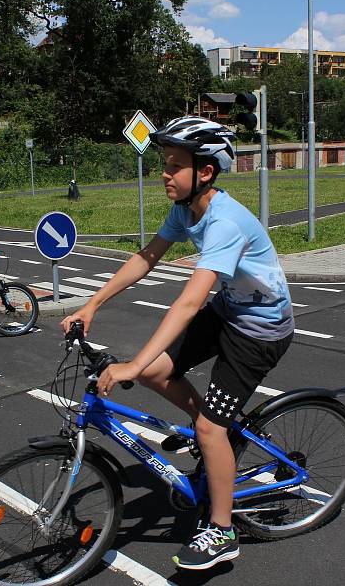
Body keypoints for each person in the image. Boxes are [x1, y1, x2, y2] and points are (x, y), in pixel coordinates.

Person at [61, 116, 294, 571]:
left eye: (174, 166)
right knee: (157, 374)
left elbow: (188, 303)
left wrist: (129, 365)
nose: (164, 174)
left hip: (260, 331)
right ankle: (219, 434)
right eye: (164, 164)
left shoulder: (226, 222)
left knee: (204, 425)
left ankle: (223, 532)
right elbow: (146, 258)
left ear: (204, 172)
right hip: (230, 312)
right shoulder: (186, 210)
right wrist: (92, 304)